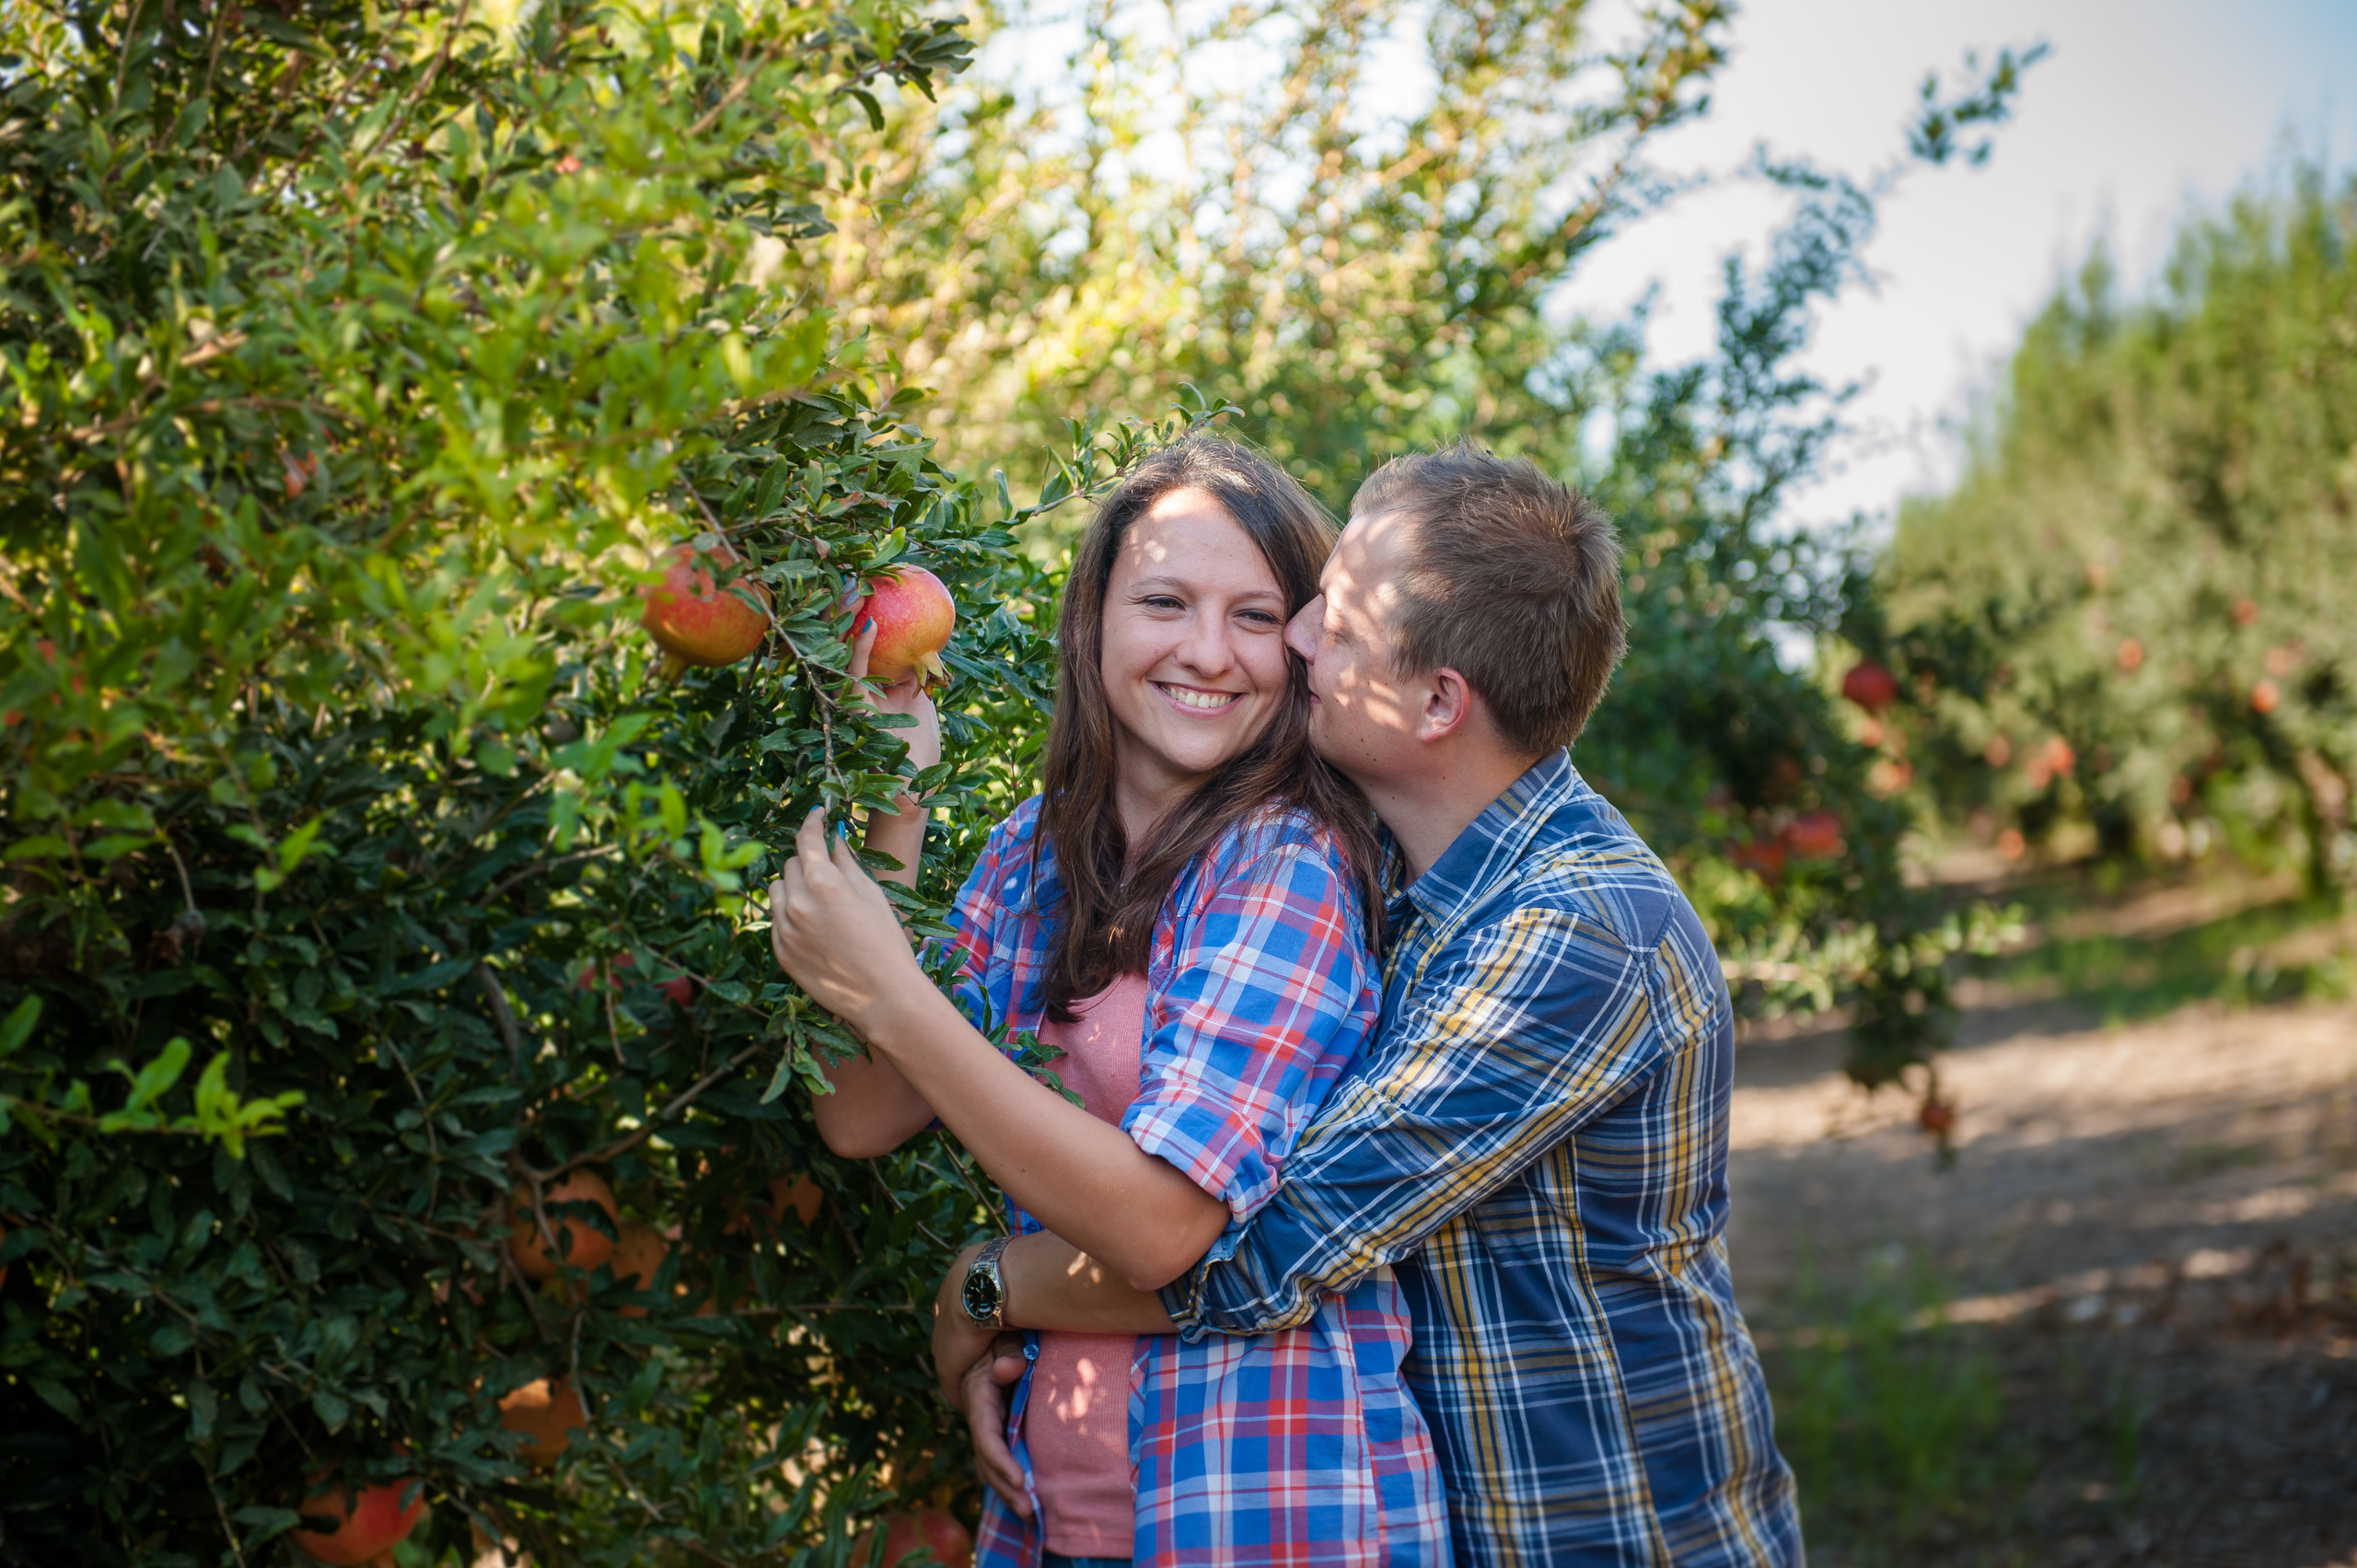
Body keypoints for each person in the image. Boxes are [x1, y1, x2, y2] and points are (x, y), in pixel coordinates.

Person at [934, 444, 1805, 1567]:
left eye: (1333, 623)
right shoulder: (1405, 877)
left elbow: (1256, 1250)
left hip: (1603, 1531)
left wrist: (987, 1284)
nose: (1294, 636)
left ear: (1438, 701)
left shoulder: (1574, 932)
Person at [765, 437, 1451, 1567]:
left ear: (1304, 642)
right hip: (1063, 1512)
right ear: (1090, 621)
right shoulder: (1036, 858)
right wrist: (896, 812)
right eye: (1165, 601)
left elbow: (1162, 1224)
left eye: (1252, 615)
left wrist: (981, 1280)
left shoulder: (1288, 864)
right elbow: (859, 1109)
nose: (1206, 651)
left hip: (1263, 1507)